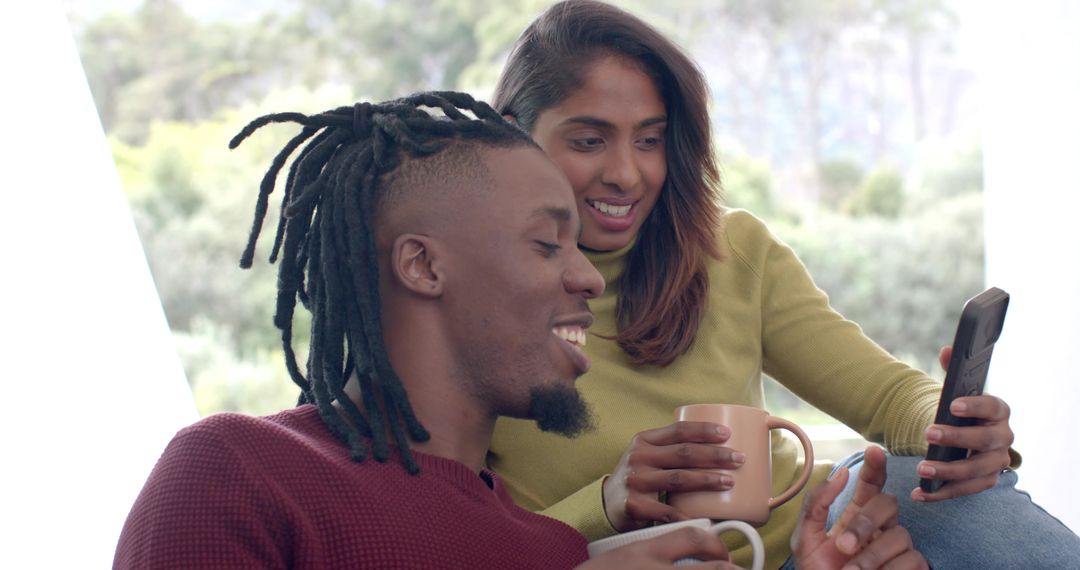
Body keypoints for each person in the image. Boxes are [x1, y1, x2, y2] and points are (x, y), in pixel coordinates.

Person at [112, 92, 916, 569]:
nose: (588, 277)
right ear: (423, 265)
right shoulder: (238, 471)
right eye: (546, 244)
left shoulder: (547, 548)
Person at [487, 1, 1080, 569]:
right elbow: (462, 539)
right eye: (589, 141)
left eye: (649, 140)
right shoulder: (468, 296)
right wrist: (604, 506)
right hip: (622, 563)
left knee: (926, 488)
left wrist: (955, 432)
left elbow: (887, 395)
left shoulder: (731, 250)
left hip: (805, 551)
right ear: (513, 136)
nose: (626, 174)